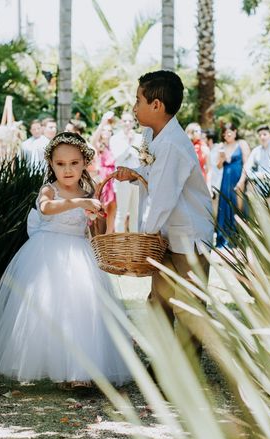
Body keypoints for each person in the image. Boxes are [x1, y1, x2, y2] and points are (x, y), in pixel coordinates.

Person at [0, 131, 131, 388]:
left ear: (84, 163)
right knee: (49, 310)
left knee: (81, 309)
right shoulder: (49, 189)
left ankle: (79, 372)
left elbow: (91, 227)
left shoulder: (88, 190)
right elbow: (46, 208)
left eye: (74, 163)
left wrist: (91, 213)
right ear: (51, 165)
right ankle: (53, 366)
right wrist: (78, 202)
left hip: (78, 254)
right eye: (60, 164)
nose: (67, 170)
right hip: (47, 255)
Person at [114, 70, 213, 367]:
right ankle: (161, 364)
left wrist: (146, 237)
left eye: (138, 100)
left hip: (187, 235)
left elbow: (163, 197)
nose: (134, 107)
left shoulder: (172, 143)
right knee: (158, 301)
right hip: (165, 235)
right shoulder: (151, 134)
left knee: (189, 304)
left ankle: (187, 369)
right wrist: (135, 173)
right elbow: (153, 177)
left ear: (156, 105)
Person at [214, 122, 250, 248]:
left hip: (238, 179)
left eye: (230, 132)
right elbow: (218, 166)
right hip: (225, 180)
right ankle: (223, 238)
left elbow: (247, 164)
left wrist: (242, 181)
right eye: (225, 133)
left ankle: (239, 238)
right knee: (225, 206)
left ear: (235, 132)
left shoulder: (242, 144)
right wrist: (222, 158)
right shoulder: (221, 146)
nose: (227, 135)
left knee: (238, 206)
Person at [110, 111, 141, 233]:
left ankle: (134, 242)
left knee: (136, 213)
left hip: (137, 178)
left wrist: (130, 152)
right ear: (121, 122)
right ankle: (120, 242)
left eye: (130, 121)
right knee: (122, 212)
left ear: (134, 122)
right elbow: (118, 158)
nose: (127, 123)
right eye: (125, 121)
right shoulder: (115, 138)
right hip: (122, 179)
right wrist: (128, 145)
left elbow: (140, 157)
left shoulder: (139, 137)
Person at [91, 112, 117, 233]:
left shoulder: (115, 145)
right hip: (102, 179)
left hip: (113, 179)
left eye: (109, 130)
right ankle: (98, 234)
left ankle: (109, 235)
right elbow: (93, 140)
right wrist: (103, 122)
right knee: (102, 208)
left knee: (113, 208)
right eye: (104, 130)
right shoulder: (98, 146)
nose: (107, 132)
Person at [245, 124, 270, 197]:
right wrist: (256, 175)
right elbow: (247, 169)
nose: (262, 137)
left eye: (264, 134)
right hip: (259, 188)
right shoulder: (256, 151)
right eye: (260, 135)